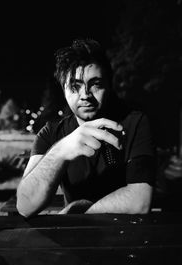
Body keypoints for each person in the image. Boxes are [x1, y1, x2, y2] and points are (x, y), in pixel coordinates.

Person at [16, 38, 156, 217]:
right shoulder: (51, 133)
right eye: (75, 86)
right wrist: (62, 150)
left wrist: (80, 212)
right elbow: (25, 206)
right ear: (64, 90)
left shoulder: (135, 122)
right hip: (75, 240)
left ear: (109, 85)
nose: (85, 95)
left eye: (95, 84)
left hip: (127, 237)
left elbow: (140, 201)